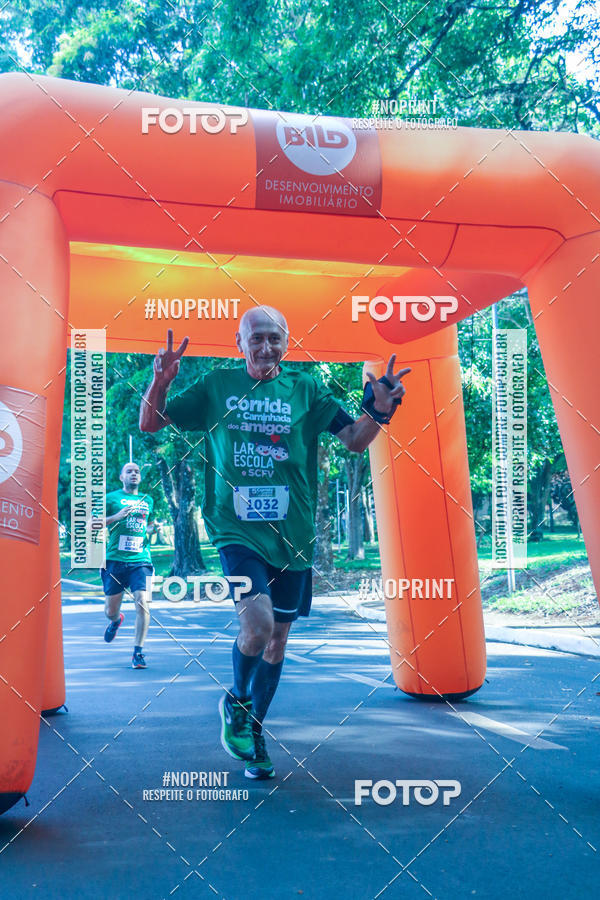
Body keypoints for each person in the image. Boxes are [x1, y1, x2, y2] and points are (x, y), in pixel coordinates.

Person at [139, 312, 409, 778]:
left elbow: (354, 440)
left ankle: (254, 732)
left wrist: (379, 410)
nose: (265, 347)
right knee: (259, 627)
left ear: (287, 341)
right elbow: (150, 423)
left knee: (277, 642)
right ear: (238, 341)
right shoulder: (215, 386)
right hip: (235, 528)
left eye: (274, 338)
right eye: (256, 338)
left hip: (294, 534)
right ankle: (237, 704)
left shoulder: (306, 388)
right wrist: (160, 381)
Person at [96, 462, 156, 669]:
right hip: (115, 560)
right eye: (129, 471)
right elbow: (90, 524)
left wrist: (152, 529)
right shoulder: (110, 498)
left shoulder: (148, 500)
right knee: (110, 610)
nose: (134, 474)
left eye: (137, 471)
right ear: (121, 477)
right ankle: (115, 620)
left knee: (142, 602)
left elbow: (145, 527)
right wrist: (115, 517)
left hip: (140, 559)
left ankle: (138, 652)